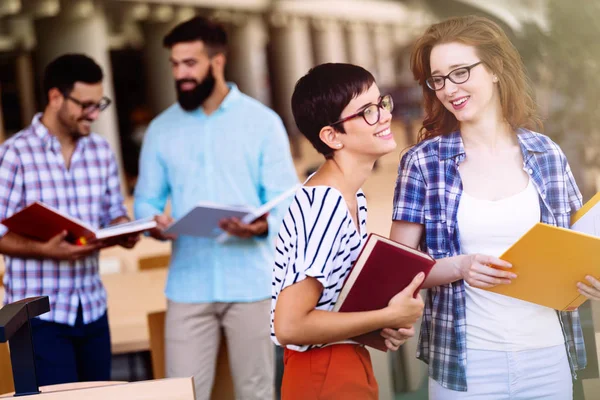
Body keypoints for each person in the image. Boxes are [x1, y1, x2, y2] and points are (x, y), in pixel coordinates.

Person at [390, 15, 599, 398]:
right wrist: (460, 266)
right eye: (438, 79)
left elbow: (582, 247)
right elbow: (398, 269)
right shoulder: (423, 163)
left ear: (496, 70)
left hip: (547, 357)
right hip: (466, 364)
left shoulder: (546, 154)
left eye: (460, 72)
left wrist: (592, 279)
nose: (448, 89)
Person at [133, 16, 298, 399]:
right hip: (187, 286)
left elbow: (286, 203)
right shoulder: (160, 130)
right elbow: (146, 200)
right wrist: (152, 221)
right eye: (175, 65)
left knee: (256, 392)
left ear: (217, 61)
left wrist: (260, 225)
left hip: (253, 284)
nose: (180, 74)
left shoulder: (263, 123)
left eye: (190, 63)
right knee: (181, 394)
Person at [271, 63, 426, 400]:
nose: (384, 116)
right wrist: (389, 314)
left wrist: (377, 326)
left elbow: (329, 305)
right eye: (367, 112)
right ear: (331, 136)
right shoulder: (325, 203)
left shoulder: (350, 195)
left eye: (381, 103)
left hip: (342, 361)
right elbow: (290, 325)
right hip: (321, 371)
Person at [0, 53, 139, 385]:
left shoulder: (101, 152)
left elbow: (112, 213)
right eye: (85, 104)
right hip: (36, 316)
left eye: (98, 103)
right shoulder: (14, 154)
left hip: (92, 310)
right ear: (55, 97)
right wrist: (48, 251)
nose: (94, 113)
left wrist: (124, 228)